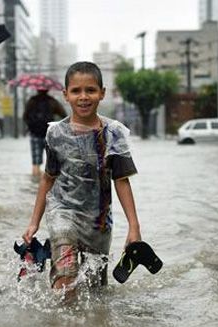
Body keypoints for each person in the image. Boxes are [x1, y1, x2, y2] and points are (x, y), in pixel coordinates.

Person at [22, 61, 142, 298]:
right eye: (76, 91)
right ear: (65, 95)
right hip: (62, 213)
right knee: (65, 279)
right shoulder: (55, 133)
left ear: (102, 93)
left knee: (96, 292)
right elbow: (48, 179)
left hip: (98, 221)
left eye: (90, 90)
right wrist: (34, 222)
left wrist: (134, 226)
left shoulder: (113, 133)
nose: (84, 97)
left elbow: (121, 181)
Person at [23, 89, 67, 176]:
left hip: (34, 134)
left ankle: (35, 183)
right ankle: (47, 185)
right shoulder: (52, 101)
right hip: (49, 134)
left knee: (36, 162)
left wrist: (30, 126)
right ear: (47, 90)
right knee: (51, 162)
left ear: (37, 90)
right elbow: (64, 115)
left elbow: (25, 116)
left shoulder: (31, 101)